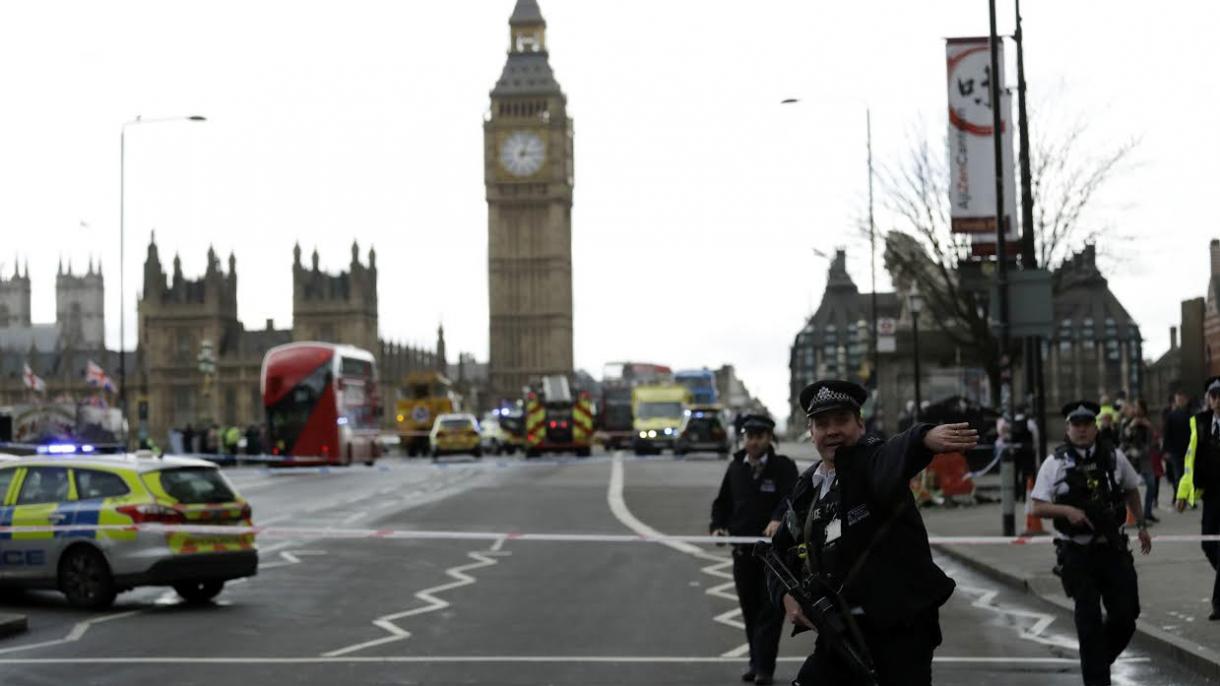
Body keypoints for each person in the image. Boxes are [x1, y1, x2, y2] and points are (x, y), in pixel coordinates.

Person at [769, 380, 976, 686]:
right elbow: (776, 554)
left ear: (861, 425)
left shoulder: (870, 462)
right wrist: (785, 596)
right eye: (822, 424)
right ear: (810, 432)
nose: (832, 431)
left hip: (899, 634)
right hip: (839, 631)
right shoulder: (807, 488)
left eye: (842, 420)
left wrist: (924, 438)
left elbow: (892, 453)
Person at [1031, 401, 1152, 686]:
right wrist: (1067, 511)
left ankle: (1098, 662)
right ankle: (1097, 678)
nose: (1082, 430)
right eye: (1077, 424)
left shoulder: (1113, 456)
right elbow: (1037, 507)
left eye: (1088, 424)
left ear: (1096, 427)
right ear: (1068, 428)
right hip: (1076, 552)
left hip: (1111, 548)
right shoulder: (1055, 463)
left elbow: (1132, 489)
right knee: (1088, 624)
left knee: (1126, 614)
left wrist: (1142, 525)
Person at [711, 414, 798, 685]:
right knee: (749, 610)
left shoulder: (783, 467)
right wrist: (717, 526)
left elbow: (792, 497)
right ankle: (755, 661)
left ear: (769, 438)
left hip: (774, 556)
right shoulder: (736, 466)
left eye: (759, 436)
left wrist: (777, 518)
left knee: (770, 612)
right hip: (742, 552)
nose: (754, 442)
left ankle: (765, 669)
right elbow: (723, 502)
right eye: (749, 436)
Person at [1175, 376, 1220, 621]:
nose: (1217, 400)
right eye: (1214, 395)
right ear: (1208, 399)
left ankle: (1218, 603)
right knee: (1208, 544)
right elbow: (1189, 460)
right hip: (1211, 494)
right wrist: (1183, 493)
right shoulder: (1199, 423)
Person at [1120, 399, 1157, 522]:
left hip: (1144, 459)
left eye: (1138, 407)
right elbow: (1123, 438)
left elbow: (1153, 440)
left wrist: (1149, 426)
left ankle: (1147, 512)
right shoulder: (1127, 422)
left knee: (1151, 484)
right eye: (1134, 407)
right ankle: (1129, 515)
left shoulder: (1147, 422)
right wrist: (1131, 426)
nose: (1136, 410)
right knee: (1129, 487)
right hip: (1131, 459)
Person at [1162, 390, 1193, 493]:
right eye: (1178, 399)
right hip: (1175, 450)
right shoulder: (1171, 416)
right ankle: (1178, 495)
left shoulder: (1190, 414)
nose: (1180, 401)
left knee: (1187, 474)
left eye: (1182, 399)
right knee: (1178, 475)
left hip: (1188, 449)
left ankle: (1186, 496)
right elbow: (1167, 433)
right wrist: (1166, 450)